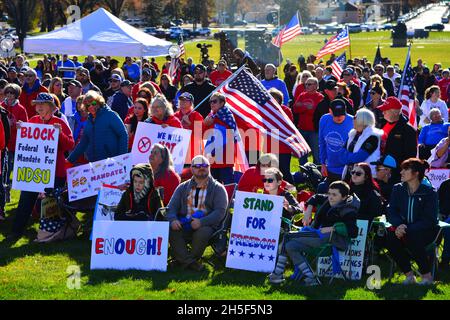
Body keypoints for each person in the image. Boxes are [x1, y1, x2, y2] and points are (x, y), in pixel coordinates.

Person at [268, 181, 359, 285]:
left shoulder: (348, 210)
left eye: (334, 195)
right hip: (317, 238)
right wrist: (308, 210)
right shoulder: (328, 200)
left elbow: (353, 231)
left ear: (344, 197)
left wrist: (333, 228)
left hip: (328, 242)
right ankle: (311, 277)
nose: (330, 197)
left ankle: (277, 274)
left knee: (287, 236)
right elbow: (316, 197)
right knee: (290, 246)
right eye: (329, 193)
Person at [10, 93, 74, 239]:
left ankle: (49, 234)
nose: (38, 107)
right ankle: (16, 231)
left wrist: (60, 134)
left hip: (55, 171)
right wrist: (21, 129)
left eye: (42, 104)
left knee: (50, 203)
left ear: (51, 107)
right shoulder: (32, 120)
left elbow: (70, 144)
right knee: (25, 200)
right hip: (33, 171)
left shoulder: (59, 122)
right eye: (37, 104)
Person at [166, 155, 228, 271]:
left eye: (205, 165)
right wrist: (173, 220)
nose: (201, 168)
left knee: (203, 232)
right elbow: (171, 208)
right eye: (197, 166)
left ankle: (182, 261)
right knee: (171, 229)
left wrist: (202, 222)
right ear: (192, 169)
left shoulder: (218, 188)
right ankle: (191, 263)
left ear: (209, 167)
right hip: (184, 224)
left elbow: (220, 212)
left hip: (206, 226)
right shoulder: (182, 188)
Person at [385, 158, 439, 285]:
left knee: (412, 237)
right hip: (402, 229)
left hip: (426, 231)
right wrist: (399, 225)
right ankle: (409, 276)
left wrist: (406, 228)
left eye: (406, 169)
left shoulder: (429, 192)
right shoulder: (398, 189)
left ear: (416, 173)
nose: (401, 172)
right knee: (390, 239)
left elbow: (429, 219)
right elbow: (391, 211)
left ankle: (427, 277)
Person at [67, 91, 128, 164]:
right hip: (95, 164)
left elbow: (123, 134)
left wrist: (121, 158)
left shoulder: (110, 115)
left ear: (99, 102)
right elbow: (83, 142)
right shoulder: (89, 119)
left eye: (93, 103)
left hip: (111, 162)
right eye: (88, 105)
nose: (91, 107)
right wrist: (69, 160)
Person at [378, 97, 417, 182]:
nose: (383, 112)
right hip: (380, 170)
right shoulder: (382, 123)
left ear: (396, 112)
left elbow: (410, 156)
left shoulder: (408, 130)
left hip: (396, 175)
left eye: (386, 110)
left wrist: (398, 171)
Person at [1, 83, 27, 206]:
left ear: (16, 95)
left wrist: (17, 125)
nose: (10, 95)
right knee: (5, 171)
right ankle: (6, 194)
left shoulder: (21, 109)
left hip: (17, 145)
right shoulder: (1, 106)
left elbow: (25, 126)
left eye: (12, 93)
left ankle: (22, 196)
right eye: (8, 93)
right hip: (4, 145)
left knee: (18, 172)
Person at [319, 99, 354, 185]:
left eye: (342, 114)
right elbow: (322, 142)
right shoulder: (324, 119)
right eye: (336, 114)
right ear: (330, 111)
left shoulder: (353, 121)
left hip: (347, 168)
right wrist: (323, 163)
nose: (339, 117)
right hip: (330, 166)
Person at [340, 108, 383, 179]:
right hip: (349, 175)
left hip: (364, 177)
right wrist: (350, 158)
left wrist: (347, 157)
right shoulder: (353, 134)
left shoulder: (373, 136)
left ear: (362, 119)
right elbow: (341, 155)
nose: (353, 119)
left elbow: (359, 157)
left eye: (355, 117)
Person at [203, 92, 236, 184]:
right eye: (210, 102)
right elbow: (204, 135)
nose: (212, 104)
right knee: (213, 187)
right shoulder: (210, 116)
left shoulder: (227, 116)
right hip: (213, 159)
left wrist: (212, 123)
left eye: (214, 101)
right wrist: (205, 125)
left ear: (222, 103)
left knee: (228, 186)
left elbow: (229, 135)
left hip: (225, 158)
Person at [293, 77, 323, 165]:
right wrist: (306, 107)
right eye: (306, 84)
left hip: (314, 130)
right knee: (302, 154)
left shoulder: (320, 97)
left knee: (316, 153)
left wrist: (302, 106)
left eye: (309, 84)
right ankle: (303, 172)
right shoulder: (302, 95)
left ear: (316, 86)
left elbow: (316, 112)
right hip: (302, 128)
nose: (306, 86)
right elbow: (295, 109)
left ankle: (317, 174)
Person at [263, 167, 302, 232]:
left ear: (279, 182)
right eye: (264, 180)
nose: (266, 182)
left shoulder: (285, 194)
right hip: (265, 228)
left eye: (270, 180)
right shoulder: (261, 194)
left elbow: (299, 210)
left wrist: (288, 207)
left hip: (282, 229)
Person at [174, 92, 204, 169]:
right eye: (181, 100)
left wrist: (189, 123)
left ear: (191, 103)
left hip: (192, 152)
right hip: (177, 153)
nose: (182, 102)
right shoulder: (175, 116)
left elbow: (201, 133)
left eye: (185, 100)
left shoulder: (196, 115)